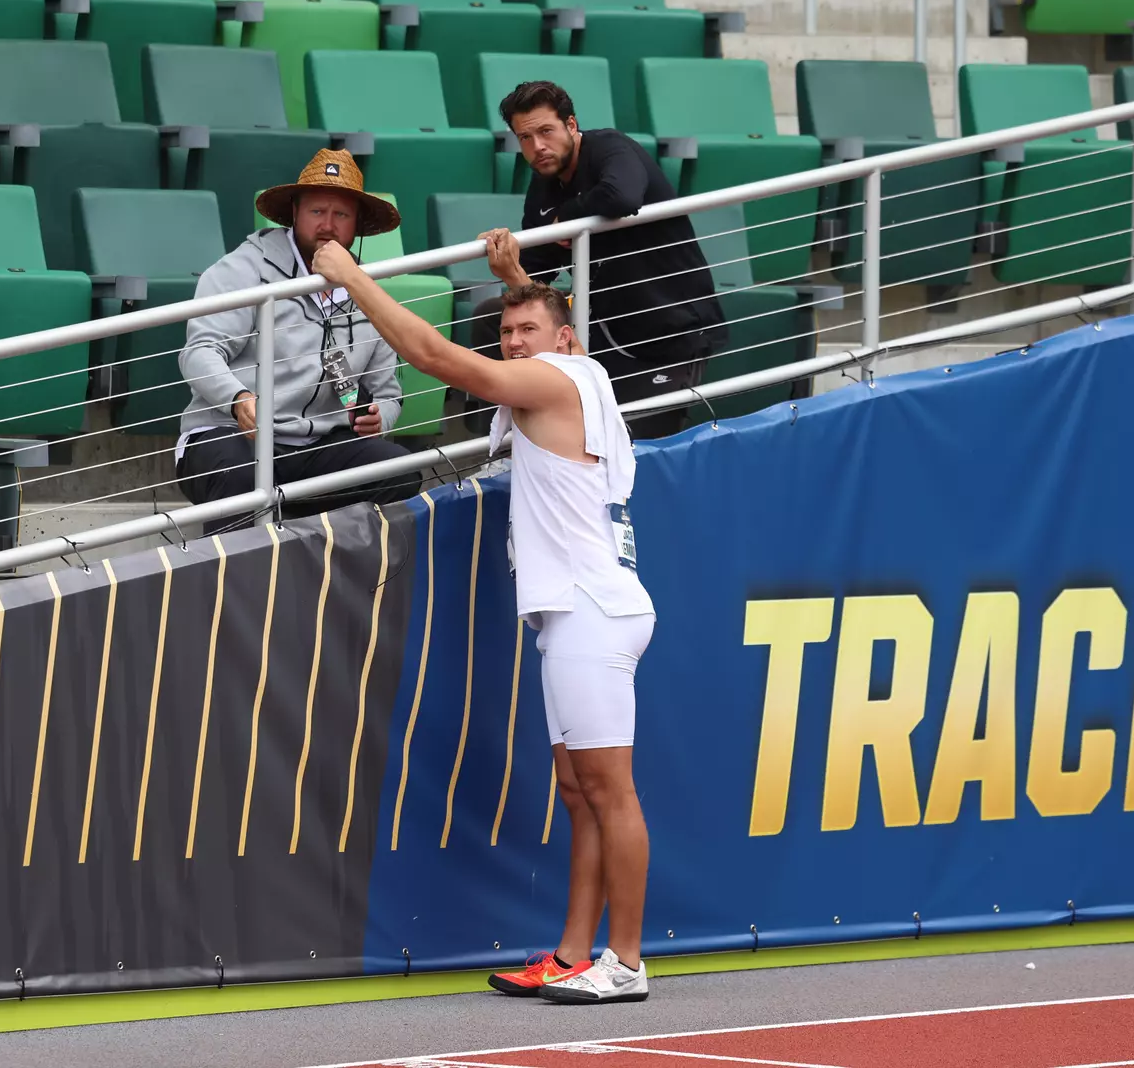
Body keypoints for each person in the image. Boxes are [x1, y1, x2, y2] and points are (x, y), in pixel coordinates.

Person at [314, 236, 657, 1005]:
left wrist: (350, 275)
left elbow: (432, 355)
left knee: (609, 793)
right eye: (504, 333)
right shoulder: (578, 372)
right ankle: (572, 954)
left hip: (591, 610)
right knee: (577, 793)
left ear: (563, 340)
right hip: (577, 612)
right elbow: (541, 321)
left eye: (526, 331)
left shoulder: (555, 377)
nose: (512, 342)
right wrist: (516, 281)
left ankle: (627, 963)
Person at [175, 148, 421, 535]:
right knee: (242, 477)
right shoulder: (244, 268)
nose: (328, 225)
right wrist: (238, 399)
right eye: (317, 211)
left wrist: (381, 418)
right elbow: (200, 352)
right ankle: (235, 575)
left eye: (341, 215)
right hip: (231, 434)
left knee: (399, 471)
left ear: (357, 224)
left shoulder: (367, 290)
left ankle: (337, 566)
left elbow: (387, 391)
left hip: (318, 445)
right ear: (294, 213)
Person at [472, 80, 727, 440]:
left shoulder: (609, 147)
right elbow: (540, 268)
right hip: (600, 329)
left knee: (625, 447)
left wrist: (567, 219)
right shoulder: (543, 183)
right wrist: (508, 258)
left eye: (546, 131)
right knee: (493, 317)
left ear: (571, 125)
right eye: (525, 138)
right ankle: (502, 445)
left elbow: (622, 196)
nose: (537, 146)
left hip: (667, 334)